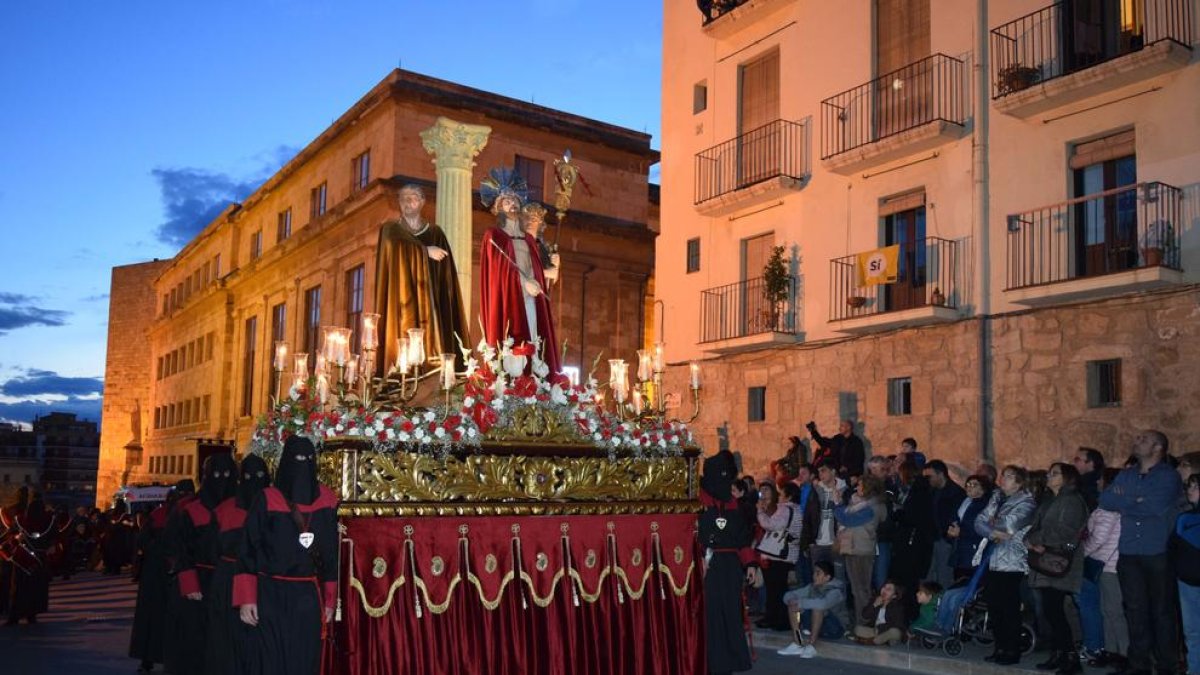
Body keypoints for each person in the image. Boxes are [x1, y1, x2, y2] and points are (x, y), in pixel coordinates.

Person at [235, 437, 339, 675]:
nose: (304, 464)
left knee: (304, 657)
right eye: (298, 459)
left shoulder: (327, 499)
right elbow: (248, 548)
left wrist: (330, 600)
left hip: (308, 596)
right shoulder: (267, 498)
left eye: (309, 459)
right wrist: (247, 598)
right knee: (271, 658)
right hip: (270, 593)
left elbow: (331, 554)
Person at [1099, 430, 1184, 675]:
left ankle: (1167, 666)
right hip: (1129, 552)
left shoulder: (1168, 477)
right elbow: (1105, 500)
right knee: (1135, 611)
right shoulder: (1127, 475)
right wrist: (1135, 500)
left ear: (1158, 447)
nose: (1137, 441)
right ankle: (1139, 666)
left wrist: (1127, 500)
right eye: (1137, 438)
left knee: (1162, 612)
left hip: (1156, 552)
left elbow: (1154, 508)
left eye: (1144, 439)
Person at [374, 183, 469, 374]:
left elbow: (446, 279)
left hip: (431, 304)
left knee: (434, 342)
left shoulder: (435, 233)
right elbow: (396, 248)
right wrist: (425, 251)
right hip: (402, 302)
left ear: (423, 202)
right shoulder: (390, 230)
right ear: (399, 203)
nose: (409, 201)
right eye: (404, 197)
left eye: (414, 197)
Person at [479, 168, 561, 374]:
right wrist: (522, 282)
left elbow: (538, 270)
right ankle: (513, 384)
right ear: (498, 207)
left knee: (534, 337)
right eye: (506, 201)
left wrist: (542, 277)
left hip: (531, 297)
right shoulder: (494, 236)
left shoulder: (529, 239)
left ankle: (533, 381)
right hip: (509, 299)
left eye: (515, 200)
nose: (512, 203)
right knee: (513, 340)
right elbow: (498, 272)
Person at [164, 454, 237, 675]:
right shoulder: (189, 508)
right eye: (216, 475)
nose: (221, 480)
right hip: (199, 584)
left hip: (228, 582)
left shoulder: (240, 506)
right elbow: (176, 546)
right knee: (195, 640)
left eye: (226, 475)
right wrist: (189, 583)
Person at [206, 454, 271, 675]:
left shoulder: (273, 506)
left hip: (260, 579)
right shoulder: (225, 509)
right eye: (250, 476)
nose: (255, 480)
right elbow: (213, 548)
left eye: (261, 475)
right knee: (228, 639)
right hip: (229, 581)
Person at [1026, 463, 1090, 675]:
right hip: (1044, 560)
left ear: (1067, 477)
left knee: (1055, 610)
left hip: (1059, 561)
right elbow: (1036, 526)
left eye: (1054, 473)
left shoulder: (1071, 500)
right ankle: (1058, 654)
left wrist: (1037, 540)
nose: (1049, 476)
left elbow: (1065, 530)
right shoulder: (1049, 500)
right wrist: (1030, 539)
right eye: (1049, 473)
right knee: (1049, 611)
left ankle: (1070, 657)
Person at [698, 450, 757, 674]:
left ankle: (731, 661)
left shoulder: (732, 504)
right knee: (711, 616)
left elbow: (742, 537)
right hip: (708, 567)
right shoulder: (699, 502)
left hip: (731, 567)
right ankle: (712, 663)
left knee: (731, 613)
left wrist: (750, 564)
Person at [975, 465, 1037, 666]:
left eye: (1009, 477)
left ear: (1019, 482)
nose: (1003, 479)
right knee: (994, 607)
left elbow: (1010, 525)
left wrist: (994, 523)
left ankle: (1011, 650)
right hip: (993, 560)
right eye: (1003, 475)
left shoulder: (1026, 502)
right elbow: (979, 522)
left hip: (1012, 563)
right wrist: (993, 532)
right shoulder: (997, 497)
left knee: (1009, 608)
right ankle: (999, 647)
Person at [129, 482, 186, 673]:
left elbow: (143, 541)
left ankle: (150, 660)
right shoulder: (170, 516)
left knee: (153, 620)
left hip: (156, 574)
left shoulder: (158, 516)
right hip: (161, 574)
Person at [1080, 468, 1127, 670]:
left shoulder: (1109, 508)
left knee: (1113, 611)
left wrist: (1081, 553)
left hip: (1109, 565)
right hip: (1106, 563)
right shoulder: (1109, 506)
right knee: (1107, 610)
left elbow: (1099, 538)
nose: (1098, 481)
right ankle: (1112, 650)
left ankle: (1123, 653)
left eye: (1101, 478)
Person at [834, 474, 887, 624]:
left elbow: (847, 519)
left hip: (860, 550)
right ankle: (863, 621)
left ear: (868, 488)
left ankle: (864, 623)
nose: (856, 488)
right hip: (856, 548)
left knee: (860, 590)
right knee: (859, 589)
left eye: (860, 485)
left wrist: (837, 504)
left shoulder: (870, 508)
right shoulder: (864, 505)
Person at [889, 459, 935, 621]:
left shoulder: (918, 492)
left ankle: (908, 616)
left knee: (908, 583)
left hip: (911, 544)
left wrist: (897, 513)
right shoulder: (915, 491)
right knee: (905, 582)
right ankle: (902, 615)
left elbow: (912, 517)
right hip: (908, 542)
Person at [777, 560, 849, 659]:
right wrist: (791, 600)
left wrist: (801, 603)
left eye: (818, 573)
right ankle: (798, 642)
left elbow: (823, 604)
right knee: (793, 605)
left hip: (835, 628)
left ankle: (811, 645)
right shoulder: (812, 587)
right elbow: (789, 595)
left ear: (827, 577)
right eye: (814, 572)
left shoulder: (836, 591)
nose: (814, 576)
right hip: (816, 624)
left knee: (817, 607)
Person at [755, 481, 800, 631]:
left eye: (781, 494)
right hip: (785, 554)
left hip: (779, 555)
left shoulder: (786, 509)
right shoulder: (796, 510)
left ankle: (778, 620)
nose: (778, 496)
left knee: (775, 589)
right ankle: (775, 618)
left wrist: (760, 512)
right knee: (777, 588)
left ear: (789, 496)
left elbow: (771, 525)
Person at [5, 492, 55, 625]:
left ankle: (14, 616)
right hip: (39, 558)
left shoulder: (20, 520)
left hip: (23, 557)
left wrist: (16, 539)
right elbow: (53, 538)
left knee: (19, 588)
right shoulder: (49, 520)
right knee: (36, 587)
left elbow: (11, 537)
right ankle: (31, 615)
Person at [1170, 473, 1200, 675]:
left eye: (1195, 486)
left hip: (1189, 579)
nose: (1189, 490)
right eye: (1189, 485)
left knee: (1193, 631)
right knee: (1192, 632)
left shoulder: (1186, 519)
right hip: (1188, 581)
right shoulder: (1185, 517)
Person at [925, 460, 965, 588]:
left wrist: (947, 537)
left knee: (944, 576)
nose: (927, 479)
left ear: (940, 474)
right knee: (930, 575)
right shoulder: (932, 491)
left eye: (929, 476)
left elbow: (956, 518)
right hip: (933, 539)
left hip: (946, 540)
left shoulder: (956, 493)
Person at [946, 474, 993, 580]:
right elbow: (954, 519)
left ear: (983, 489)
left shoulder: (985, 506)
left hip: (974, 551)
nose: (969, 487)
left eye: (974, 485)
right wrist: (951, 531)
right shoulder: (964, 502)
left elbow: (983, 529)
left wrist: (961, 532)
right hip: (959, 550)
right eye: (968, 484)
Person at [0, 486, 30, 616]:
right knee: (17, 580)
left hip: (6, 548)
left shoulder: (6, 511)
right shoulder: (26, 511)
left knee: (5, 579)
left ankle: (4, 606)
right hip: (19, 549)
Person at [853, 580, 907, 646]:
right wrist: (874, 605)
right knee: (857, 629)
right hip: (875, 631)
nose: (885, 590)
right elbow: (864, 615)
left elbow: (897, 624)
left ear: (894, 596)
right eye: (884, 587)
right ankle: (884, 641)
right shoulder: (875, 600)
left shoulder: (897, 607)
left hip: (887, 630)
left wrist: (880, 628)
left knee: (895, 632)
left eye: (889, 589)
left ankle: (874, 640)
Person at [520, 202, 559, 285]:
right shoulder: (516, 243)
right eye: (527, 218)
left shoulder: (545, 249)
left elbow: (551, 281)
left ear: (540, 223)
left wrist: (556, 265)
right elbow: (517, 271)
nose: (530, 221)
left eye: (533, 219)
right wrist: (546, 272)